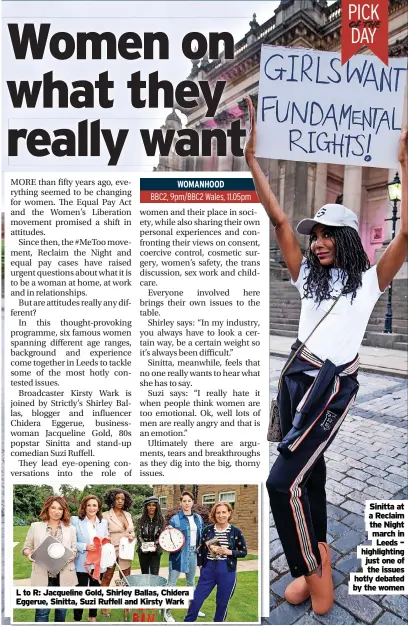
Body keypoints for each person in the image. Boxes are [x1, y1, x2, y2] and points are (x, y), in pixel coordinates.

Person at [245, 95, 408, 616]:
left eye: (325, 235)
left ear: (346, 238)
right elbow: (276, 219)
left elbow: (407, 234)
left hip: (332, 385)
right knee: (310, 475)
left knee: (280, 481)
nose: (315, 243)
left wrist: (404, 164)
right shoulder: (308, 279)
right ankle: (321, 556)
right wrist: (252, 161)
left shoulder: (367, 282)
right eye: (313, 235)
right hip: (296, 377)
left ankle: (308, 573)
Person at [184, 502, 247, 623]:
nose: (221, 515)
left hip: (227, 570)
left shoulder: (236, 531)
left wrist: (229, 552)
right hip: (208, 569)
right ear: (214, 514)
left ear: (229, 513)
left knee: (222, 603)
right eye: (218, 512)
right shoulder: (208, 530)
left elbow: (243, 551)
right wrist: (201, 565)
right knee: (196, 600)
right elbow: (201, 548)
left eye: (224, 512)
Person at [22, 496, 77, 623]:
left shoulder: (71, 529)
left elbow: (74, 549)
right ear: (47, 508)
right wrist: (28, 554)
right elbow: (27, 547)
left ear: (64, 511)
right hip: (42, 575)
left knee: (61, 610)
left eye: (60, 508)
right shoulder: (35, 526)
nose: (56, 511)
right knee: (42, 611)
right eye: (53, 507)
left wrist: (73, 555)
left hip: (64, 576)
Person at [163, 491, 205, 623]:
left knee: (191, 582)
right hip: (178, 555)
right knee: (171, 584)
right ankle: (166, 611)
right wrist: (168, 530)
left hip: (193, 553)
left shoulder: (198, 518)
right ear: (180, 503)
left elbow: (202, 535)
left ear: (193, 502)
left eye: (189, 501)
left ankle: (194, 609)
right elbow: (169, 537)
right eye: (184, 501)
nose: (187, 503)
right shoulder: (175, 519)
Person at [71, 495, 109, 622]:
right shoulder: (75, 520)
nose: (92, 508)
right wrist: (84, 546)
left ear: (98, 508)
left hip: (98, 564)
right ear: (84, 507)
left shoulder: (103, 522)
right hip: (82, 564)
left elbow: (106, 539)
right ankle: (77, 618)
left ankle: (92, 617)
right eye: (89, 505)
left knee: (95, 591)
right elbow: (70, 542)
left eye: (94, 505)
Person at [100, 488, 135, 617]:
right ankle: (104, 607)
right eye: (117, 498)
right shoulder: (105, 515)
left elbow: (131, 531)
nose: (120, 501)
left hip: (126, 550)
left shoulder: (128, 515)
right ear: (112, 500)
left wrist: (132, 536)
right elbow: (102, 533)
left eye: (122, 499)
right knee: (107, 577)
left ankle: (127, 606)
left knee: (126, 579)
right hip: (111, 549)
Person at [135, 496, 165, 575]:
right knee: (144, 574)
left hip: (156, 551)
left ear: (157, 507)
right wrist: (145, 545)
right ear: (146, 507)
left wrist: (154, 544)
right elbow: (138, 535)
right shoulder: (140, 519)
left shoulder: (161, 520)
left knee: (154, 574)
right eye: (149, 505)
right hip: (143, 550)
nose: (151, 507)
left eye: (153, 505)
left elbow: (162, 536)